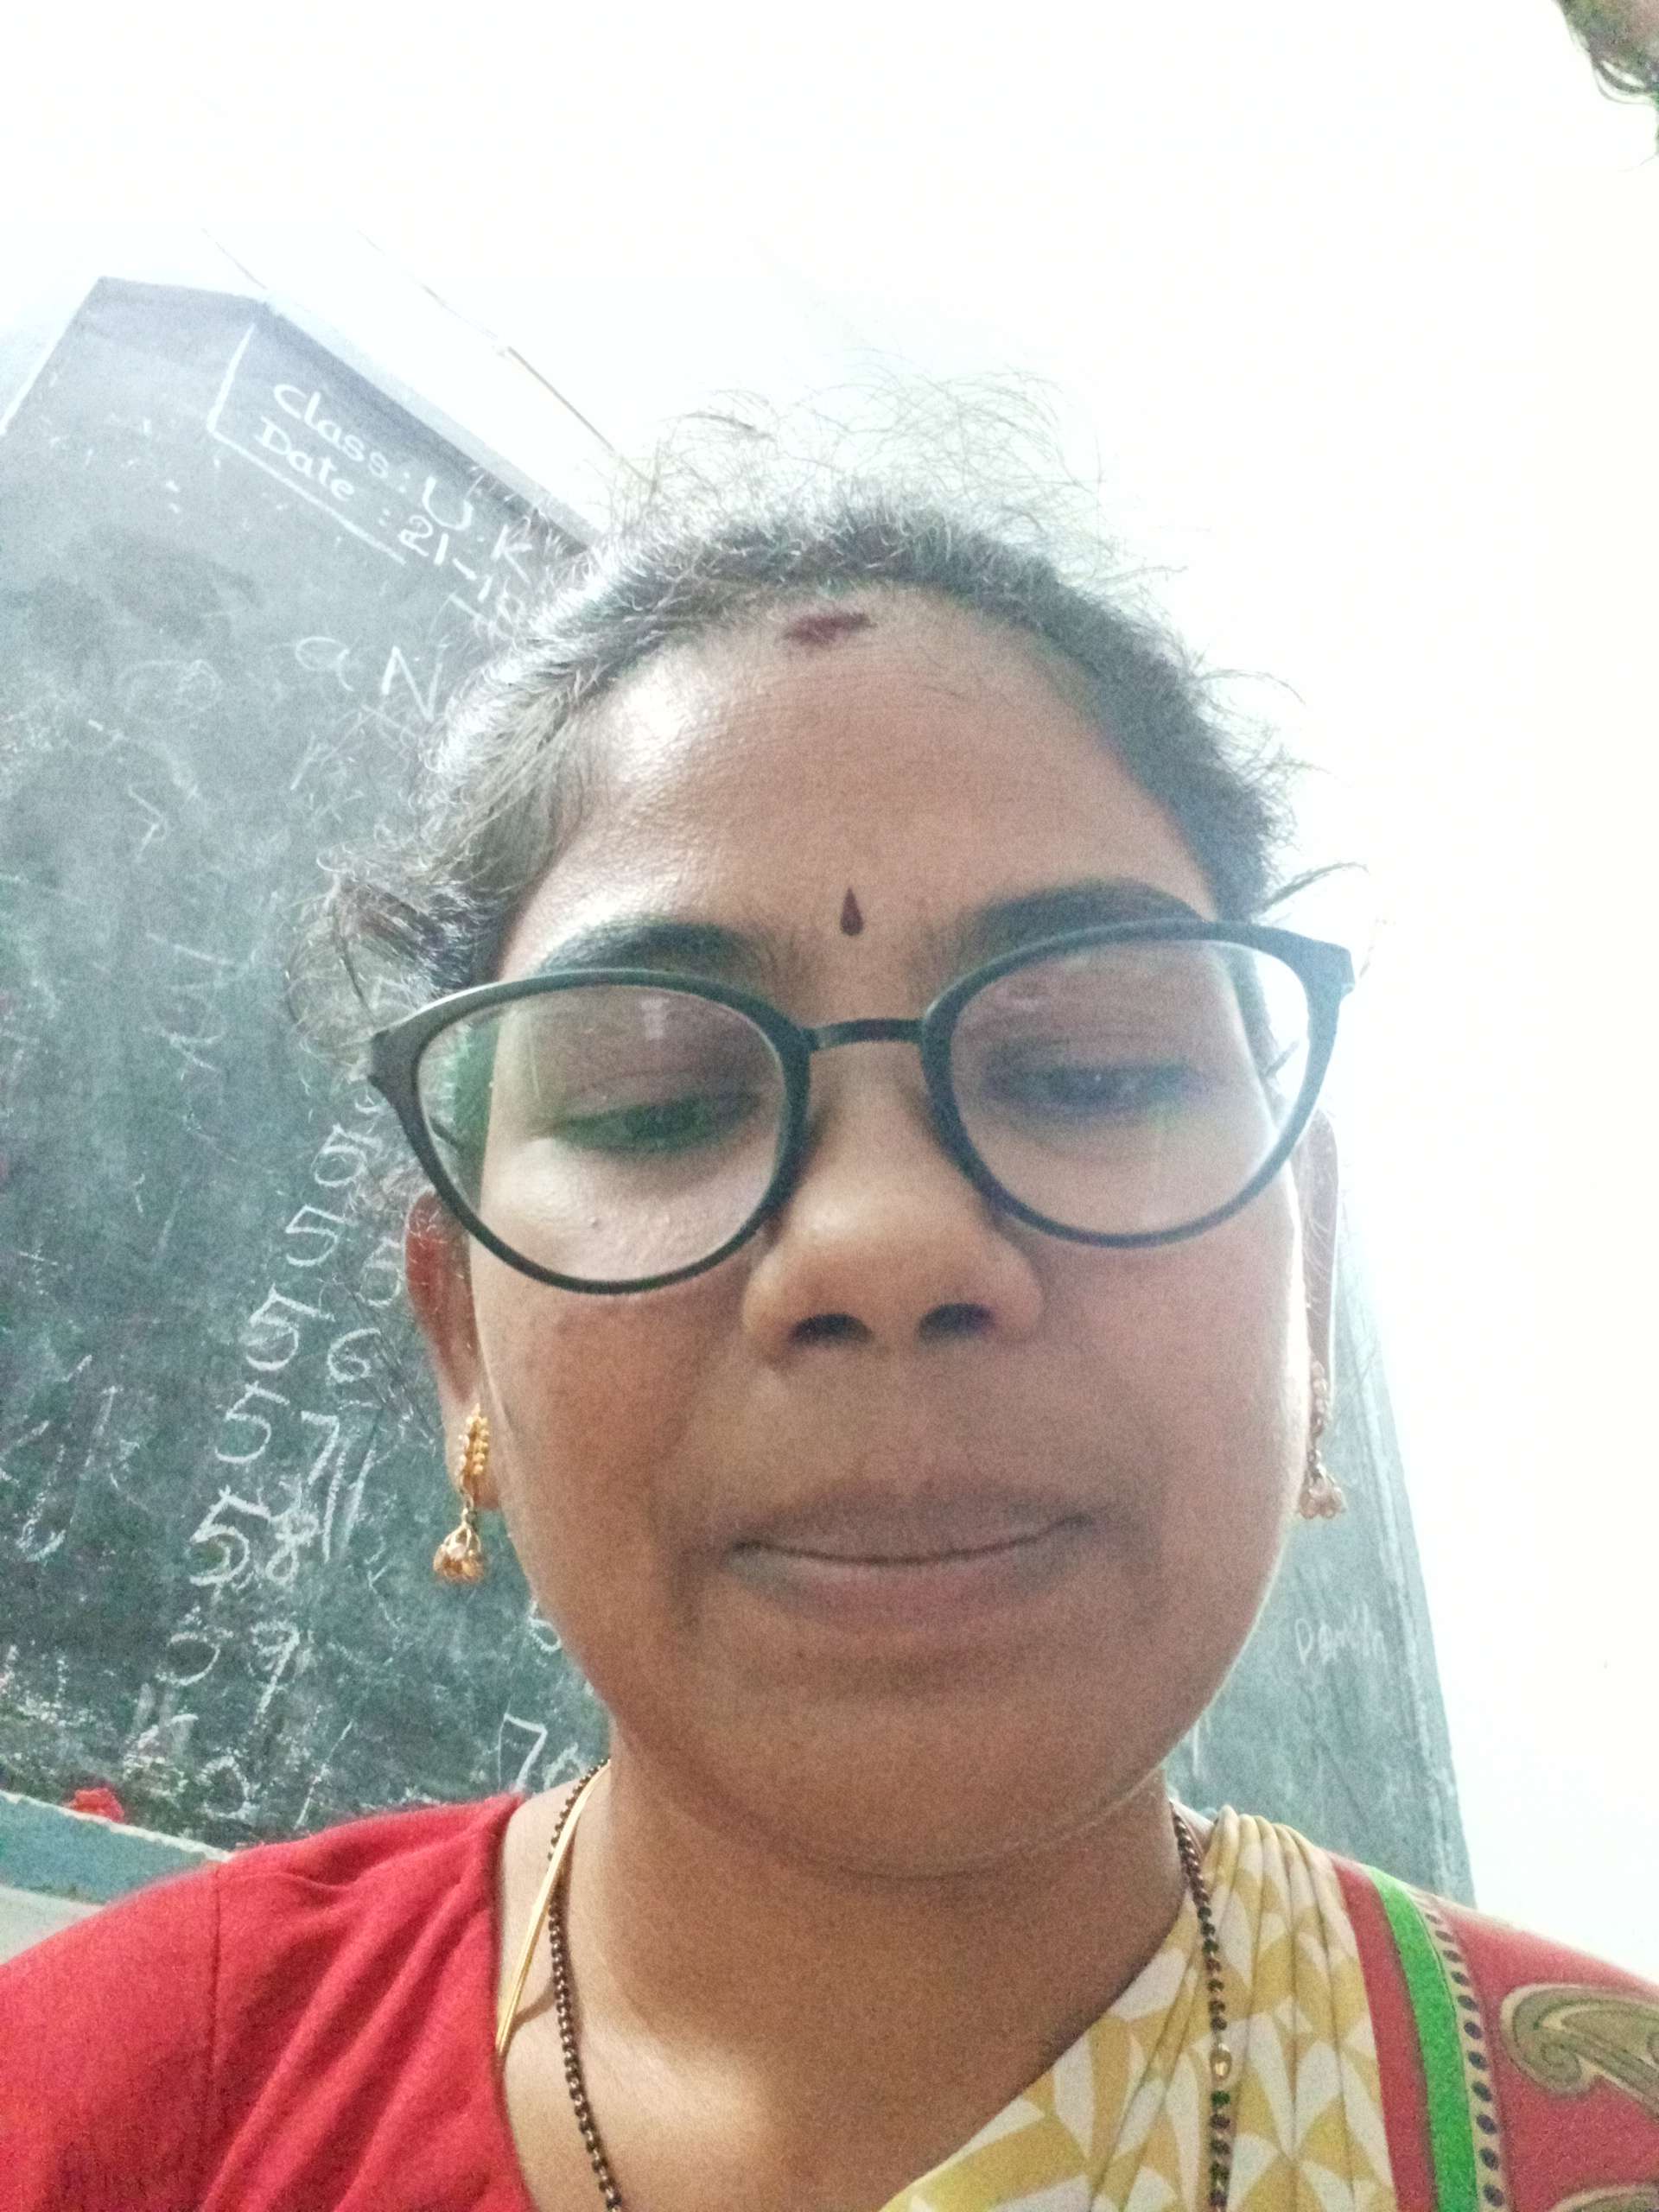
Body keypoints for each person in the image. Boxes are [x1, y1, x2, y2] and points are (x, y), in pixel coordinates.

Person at [3, 466, 1656, 2212]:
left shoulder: (1595, 2141)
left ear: (1305, 1281)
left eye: (1089, 1071)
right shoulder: (98, 2116)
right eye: (656, 1100)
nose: (885, 1240)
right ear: (460, 1336)